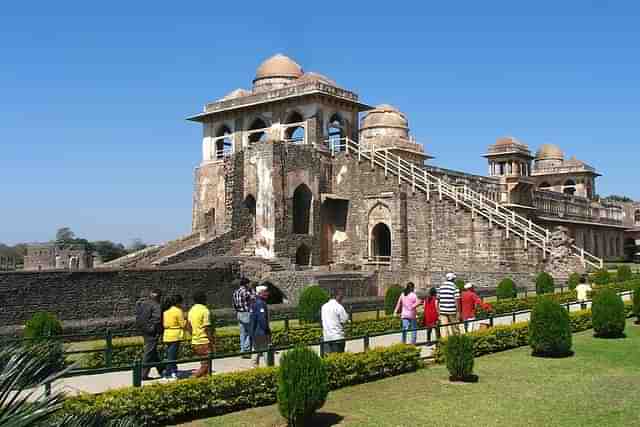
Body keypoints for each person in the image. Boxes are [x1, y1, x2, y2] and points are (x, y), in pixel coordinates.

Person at [135, 288, 164, 380]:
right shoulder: (156, 305)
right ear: (159, 297)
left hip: (144, 330)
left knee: (153, 351)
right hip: (152, 332)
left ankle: (162, 369)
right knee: (149, 352)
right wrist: (159, 331)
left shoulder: (143, 304)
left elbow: (138, 316)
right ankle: (143, 374)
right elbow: (157, 319)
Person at [188, 291, 215, 377]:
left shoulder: (191, 310)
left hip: (195, 341)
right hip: (204, 341)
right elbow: (207, 328)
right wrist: (212, 341)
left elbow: (188, 326)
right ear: (204, 299)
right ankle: (192, 378)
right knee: (206, 365)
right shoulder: (205, 310)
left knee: (206, 367)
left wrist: (194, 335)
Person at [162, 294, 186, 380]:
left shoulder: (166, 311)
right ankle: (169, 373)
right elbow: (183, 324)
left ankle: (173, 370)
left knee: (170, 354)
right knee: (172, 356)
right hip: (175, 335)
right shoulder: (178, 311)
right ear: (178, 302)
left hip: (167, 334)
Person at [232, 277, 255, 359]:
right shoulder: (245, 292)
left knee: (242, 333)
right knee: (250, 332)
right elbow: (254, 298)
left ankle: (242, 351)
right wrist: (252, 290)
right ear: (246, 284)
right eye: (249, 284)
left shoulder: (235, 292)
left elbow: (234, 305)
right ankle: (246, 350)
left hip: (239, 314)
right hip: (247, 313)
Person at [321, 289, 349, 354]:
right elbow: (344, 320)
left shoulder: (324, 306)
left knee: (328, 358)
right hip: (337, 337)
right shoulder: (339, 307)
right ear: (337, 296)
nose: (342, 298)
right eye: (341, 296)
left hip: (327, 337)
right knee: (338, 358)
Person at [249, 284, 271, 367]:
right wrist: (266, 330)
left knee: (255, 350)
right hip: (261, 332)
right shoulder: (260, 303)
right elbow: (262, 319)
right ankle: (270, 366)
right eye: (265, 292)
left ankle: (254, 367)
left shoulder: (254, 302)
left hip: (255, 332)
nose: (267, 293)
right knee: (266, 350)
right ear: (261, 293)